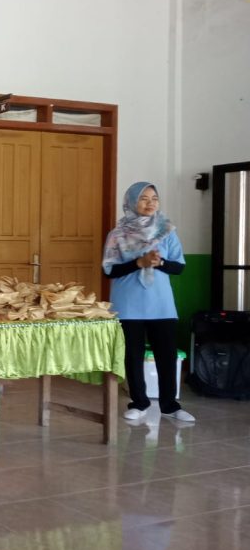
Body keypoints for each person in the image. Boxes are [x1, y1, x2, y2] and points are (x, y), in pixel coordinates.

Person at [102, 181, 194, 423]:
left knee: (167, 355)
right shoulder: (117, 234)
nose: (150, 203)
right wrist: (138, 263)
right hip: (128, 304)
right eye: (143, 198)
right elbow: (109, 270)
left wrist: (159, 263)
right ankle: (139, 402)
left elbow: (179, 267)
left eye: (154, 198)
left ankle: (170, 405)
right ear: (132, 202)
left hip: (161, 304)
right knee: (132, 356)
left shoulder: (167, 231)